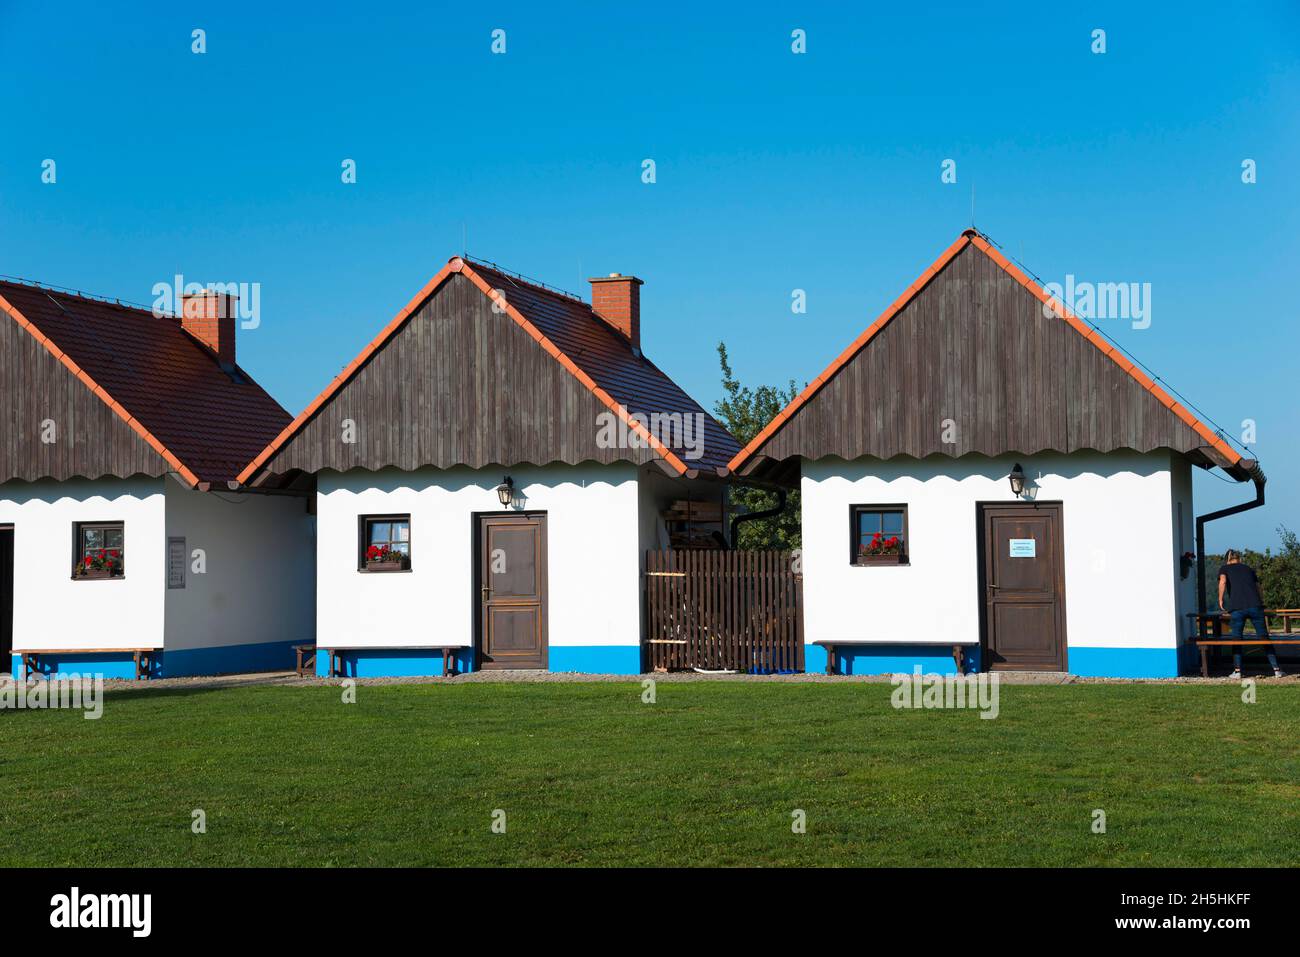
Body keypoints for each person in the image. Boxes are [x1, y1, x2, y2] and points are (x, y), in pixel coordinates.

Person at [1217, 549, 1284, 678]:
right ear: (1239, 558)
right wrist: (1261, 601)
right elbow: (1258, 587)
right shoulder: (1248, 568)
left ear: (1227, 559)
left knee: (1237, 639)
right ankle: (1276, 670)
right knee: (1264, 637)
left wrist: (1220, 599)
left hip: (1237, 606)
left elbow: (1223, 582)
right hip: (1255, 605)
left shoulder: (1224, 568)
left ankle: (1237, 671)